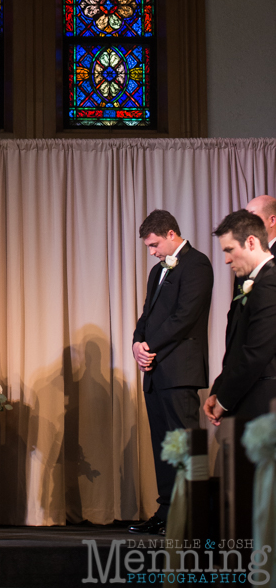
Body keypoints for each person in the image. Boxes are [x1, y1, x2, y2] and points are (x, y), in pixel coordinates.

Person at [128, 209, 213, 537]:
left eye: (154, 245)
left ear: (172, 235)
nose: (152, 252)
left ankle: (191, 518)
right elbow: (147, 313)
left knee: (184, 446)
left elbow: (185, 316)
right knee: (164, 445)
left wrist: (150, 344)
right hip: (156, 372)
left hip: (180, 371)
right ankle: (165, 512)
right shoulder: (157, 272)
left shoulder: (197, 264)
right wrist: (137, 342)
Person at [203, 209, 276, 425]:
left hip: (264, 403)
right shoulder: (251, 282)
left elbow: (256, 352)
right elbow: (237, 346)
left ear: (251, 242)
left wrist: (224, 400)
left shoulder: (271, 282)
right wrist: (218, 389)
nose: (226, 260)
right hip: (248, 399)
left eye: (230, 250)